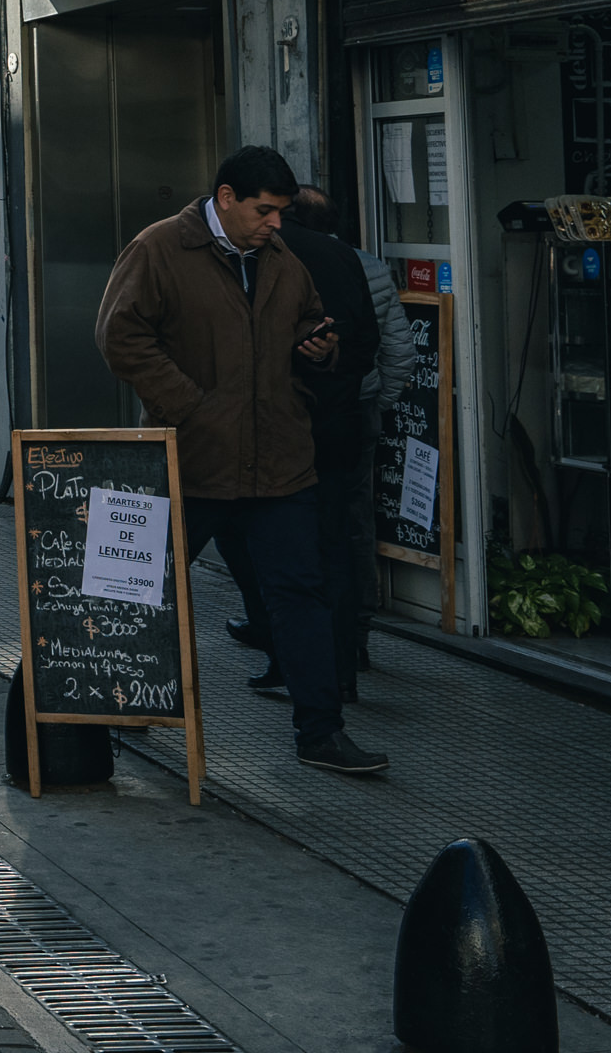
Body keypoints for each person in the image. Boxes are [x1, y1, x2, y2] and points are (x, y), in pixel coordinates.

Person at [94, 145, 385, 777]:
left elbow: (311, 323)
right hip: (192, 459)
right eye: (266, 210)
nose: (277, 223)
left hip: (279, 463)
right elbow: (120, 336)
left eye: (280, 211)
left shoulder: (279, 259)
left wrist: (319, 348)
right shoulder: (160, 248)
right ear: (226, 198)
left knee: (300, 592)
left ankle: (321, 731)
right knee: (145, 590)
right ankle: (117, 699)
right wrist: (190, 404)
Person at [258, 186, 407, 697]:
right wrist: (367, 401)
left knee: (285, 537)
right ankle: (349, 649)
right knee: (347, 531)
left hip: (294, 422)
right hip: (348, 416)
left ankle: (290, 655)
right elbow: (387, 347)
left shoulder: (271, 259)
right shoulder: (359, 261)